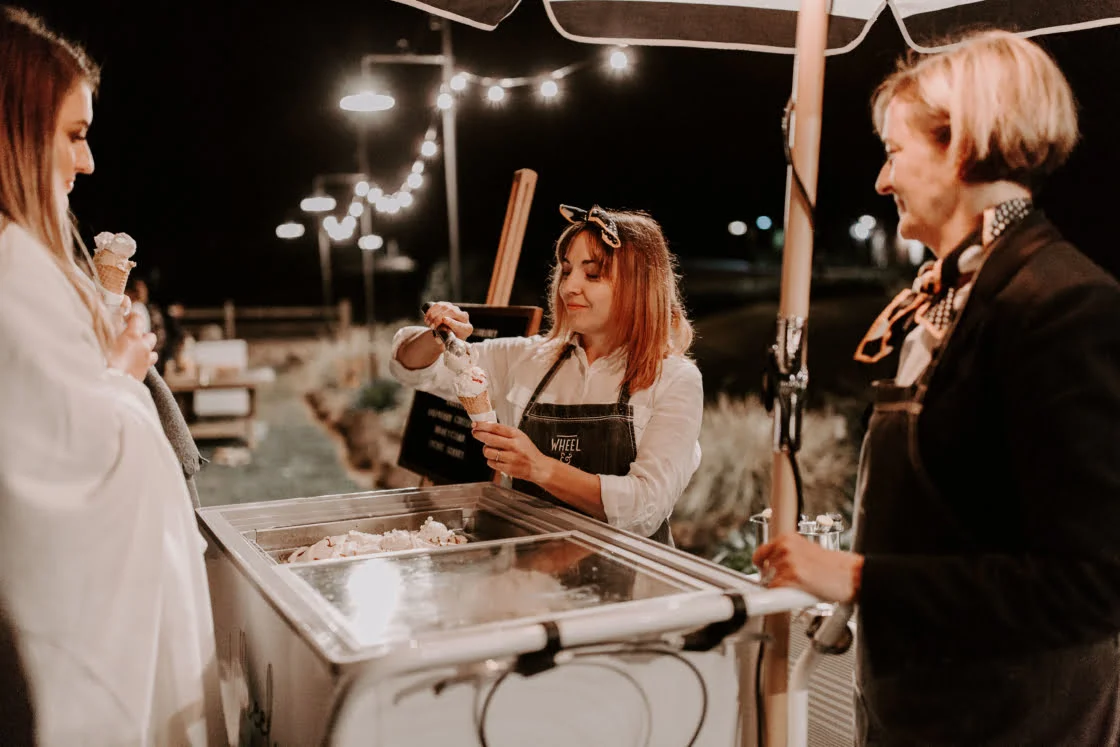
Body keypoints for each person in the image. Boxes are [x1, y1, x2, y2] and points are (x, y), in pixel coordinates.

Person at [753, 30, 1120, 745]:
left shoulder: (1064, 304)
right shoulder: (945, 295)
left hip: (1017, 721)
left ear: (961, 144)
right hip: (919, 706)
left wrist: (859, 577)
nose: (881, 181)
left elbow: (1093, 583)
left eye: (894, 152)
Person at [0, 8, 223, 744]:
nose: (88, 160)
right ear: (13, 130)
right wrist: (124, 376)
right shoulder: (12, 269)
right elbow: (59, 476)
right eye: (73, 133)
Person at [391, 204, 703, 545]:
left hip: (630, 571)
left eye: (592, 274)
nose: (569, 287)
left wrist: (540, 468)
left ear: (640, 285)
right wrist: (439, 333)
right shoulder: (529, 358)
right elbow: (413, 369)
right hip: (532, 566)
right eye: (566, 271)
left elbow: (646, 508)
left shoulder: (676, 379)